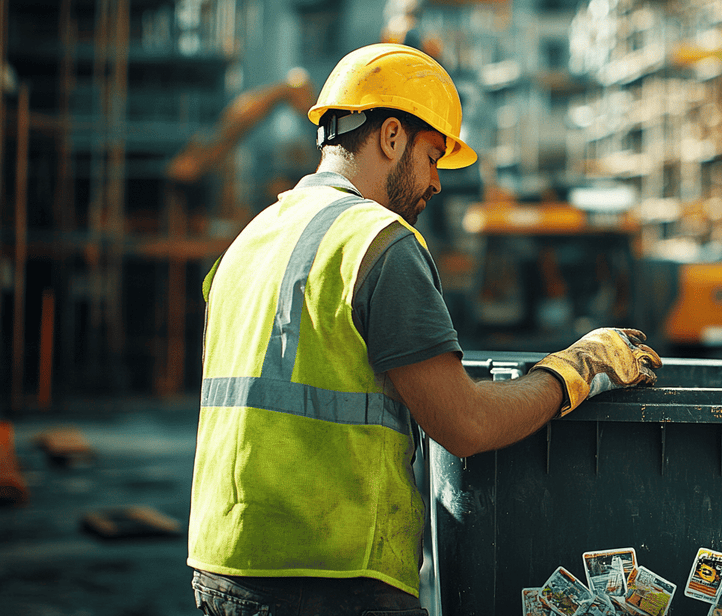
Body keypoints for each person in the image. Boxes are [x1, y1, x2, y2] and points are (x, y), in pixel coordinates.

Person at [187, 43, 663, 616]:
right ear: (391, 137)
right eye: (433, 156)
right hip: (332, 574)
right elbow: (463, 424)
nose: (436, 183)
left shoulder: (251, 239)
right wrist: (575, 371)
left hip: (222, 565)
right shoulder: (378, 243)